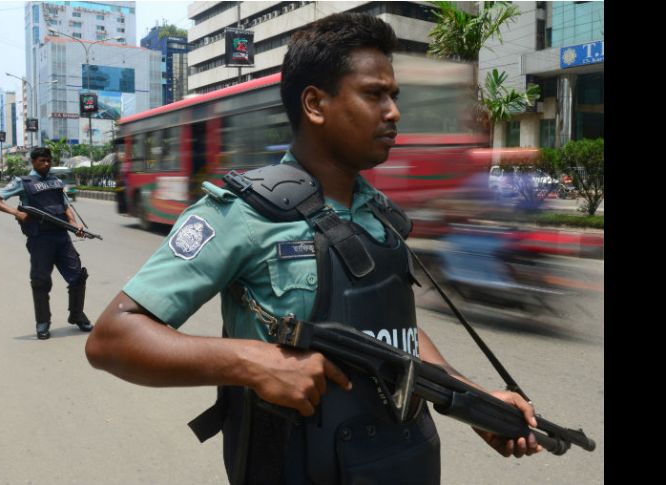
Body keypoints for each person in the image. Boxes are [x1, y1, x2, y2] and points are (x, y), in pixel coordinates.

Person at [86, 13, 541, 484]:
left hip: (403, 463)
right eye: (373, 94)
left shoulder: (381, 213)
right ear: (315, 104)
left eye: (394, 95)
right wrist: (251, 363)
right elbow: (113, 338)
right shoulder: (243, 214)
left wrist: (475, 401)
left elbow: (392, 334)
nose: (393, 112)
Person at [0, 147, 93, 340]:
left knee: (78, 276)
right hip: (39, 239)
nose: (46, 164)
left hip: (62, 237)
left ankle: (77, 315)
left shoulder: (55, 181)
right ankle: (43, 322)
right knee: (41, 282)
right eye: (42, 161)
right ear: (34, 162)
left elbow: (65, 206)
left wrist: (74, 225)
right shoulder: (23, 182)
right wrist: (17, 213)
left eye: (48, 160)